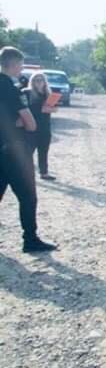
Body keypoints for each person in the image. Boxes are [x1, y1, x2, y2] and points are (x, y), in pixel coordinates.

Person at [0, 47, 57, 253]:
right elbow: (31, 124)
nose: (21, 69)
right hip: (14, 150)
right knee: (28, 197)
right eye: (21, 64)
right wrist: (22, 123)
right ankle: (30, 239)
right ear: (14, 63)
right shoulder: (10, 88)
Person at [23, 71, 58, 180]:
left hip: (45, 127)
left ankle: (44, 173)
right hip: (31, 127)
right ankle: (24, 173)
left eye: (41, 80)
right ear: (32, 81)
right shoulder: (27, 93)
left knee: (43, 151)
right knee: (28, 152)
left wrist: (50, 109)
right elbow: (23, 108)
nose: (38, 82)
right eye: (36, 80)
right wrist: (42, 109)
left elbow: (55, 108)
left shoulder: (48, 94)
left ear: (44, 82)